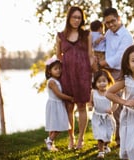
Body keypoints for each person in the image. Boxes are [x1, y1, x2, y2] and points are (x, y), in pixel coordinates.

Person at [56, 6, 96, 149]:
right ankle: (71, 138)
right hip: (67, 75)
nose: (76, 20)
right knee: (69, 107)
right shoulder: (61, 35)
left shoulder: (87, 35)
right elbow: (58, 56)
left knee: (82, 106)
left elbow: (90, 55)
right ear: (69, 18)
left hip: (83, 75)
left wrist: (93, 72)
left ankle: (81, 139)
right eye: (74, 17)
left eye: (79, 17)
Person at [98, 7, 134, 147]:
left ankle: (120, 141)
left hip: (119, 73)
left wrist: (102, 62)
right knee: (107, 105)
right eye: (107, 23)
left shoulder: (126, 36)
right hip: (108, 72)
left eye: (113, 21)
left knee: (117, 106)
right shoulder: (108, 33)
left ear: (119, 18)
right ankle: (108, 138)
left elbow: (120, 57)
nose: (111, 25)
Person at [44, 56, 74, 151]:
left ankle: (50, 143)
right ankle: (49, 140)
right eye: (55, 69)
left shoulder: (57, 80)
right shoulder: (51, 82)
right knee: (60, 125)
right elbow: (59, 94)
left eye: (60, 68)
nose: (58, 71)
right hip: (54, 105)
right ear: (49, 71)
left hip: (58, 105)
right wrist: (70, 98)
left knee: (55, 125)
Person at [88, 69, 117, 158]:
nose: (102, 83)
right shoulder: (93, 92)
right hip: (98, 117)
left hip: (108, 117)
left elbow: (116, 103)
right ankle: (101, 152)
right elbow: (90, 102)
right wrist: (90, 106)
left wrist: (112, 109)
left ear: (108, 81)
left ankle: (106, 145)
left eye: (104, 81)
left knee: (108, 135)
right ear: (95, 83)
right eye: (99, 81)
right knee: (100, 135)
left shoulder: (110, 92)